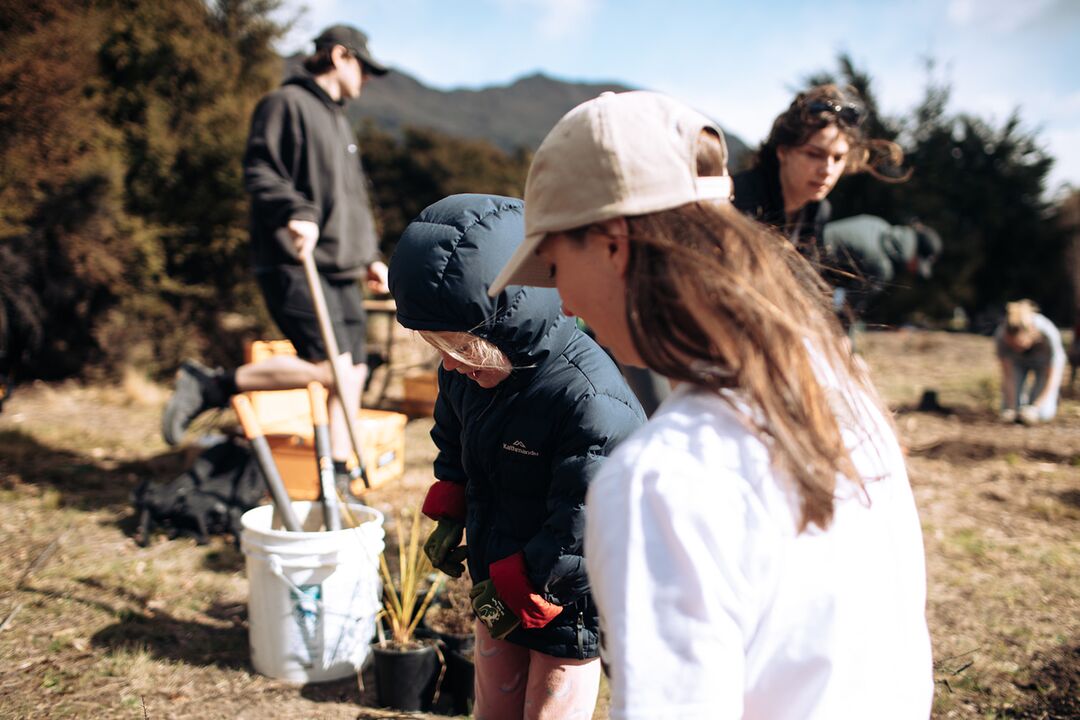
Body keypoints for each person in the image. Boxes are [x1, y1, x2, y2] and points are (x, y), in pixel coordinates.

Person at [489, 91, 933, 718]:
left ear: (614, 243)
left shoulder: (662, 478)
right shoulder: (837, 386)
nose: (561, 303)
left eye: (555, 266)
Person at [387, 194, 645, 720]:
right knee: (494, 701)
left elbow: (586, 517)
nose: (453, 368)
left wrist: (525, 586)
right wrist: (449, 510)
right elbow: (453, 442)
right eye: (441, 352)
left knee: (548, 707)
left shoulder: (589, 399)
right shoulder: (466, 373)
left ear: (514, 321)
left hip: (563, 597)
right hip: (495, 578)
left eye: (466, 353)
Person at [162, 24, 389, 494]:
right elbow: (260, 169)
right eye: (363, 68)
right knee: (329, 367)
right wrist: (295, 212)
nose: (367, 80)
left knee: (354, 371)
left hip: (342, 265)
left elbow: (350, 199)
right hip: (294, 258)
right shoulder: (285, 104)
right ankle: (212, 385)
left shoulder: (339, 121)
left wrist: (370, 255)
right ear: (339, 55)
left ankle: (338, 479)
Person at [733, 84, 906, 261]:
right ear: (783, 152)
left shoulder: (819, 211)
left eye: (838, 158)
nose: (827, 170)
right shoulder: (737, 198)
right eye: (814, 154)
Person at [822, 213, 943, 321]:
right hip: (812, 268)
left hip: (809, 240)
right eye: (918, 265)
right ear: (914, 253)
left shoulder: (878, 224)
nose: (914, 270)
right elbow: (848, 307)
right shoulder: (882, 267)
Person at [994, 299, 1065, 424]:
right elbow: (1008, 376)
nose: (1016, 348)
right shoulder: (1001, 336)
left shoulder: (1048, 334)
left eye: (1020, 344)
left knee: (1043, 413)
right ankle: (1019, 405)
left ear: (1031, 333)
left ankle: (1050, 400)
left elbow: (1052, 378)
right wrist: (1011, 408)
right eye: (1012, 345)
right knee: (1008, 411)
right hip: (1018, 364)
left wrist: (1035, 408)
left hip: (1044, 364)